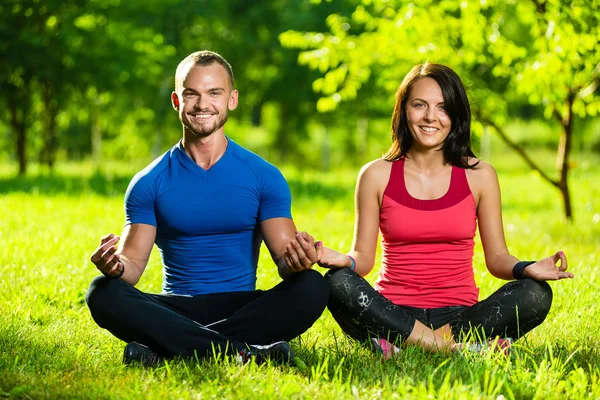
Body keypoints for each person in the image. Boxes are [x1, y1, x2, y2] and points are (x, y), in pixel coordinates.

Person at [290, 62, 573, 358]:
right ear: (403, 110)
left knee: (536, 293)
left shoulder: (480, 175)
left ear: (456, 114)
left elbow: (498, 259)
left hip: (460, 317)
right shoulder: (375, 174)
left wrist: (527, 268)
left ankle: (411, 346)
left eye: (443, 107)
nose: (430, 117)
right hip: (393, 315)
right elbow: (362, 259)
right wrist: (340, 259)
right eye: (419, 105)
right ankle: (459, 349)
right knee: (336, 282)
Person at [86, 50, 328, 366]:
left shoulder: (263, 176)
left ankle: (167, 349)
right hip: (176, 307)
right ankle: (244, 352)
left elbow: (284, 260)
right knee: (103, 292)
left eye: (214, 93)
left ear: (232, 99)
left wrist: (299, 259)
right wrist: (116, 268)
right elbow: (131, 266)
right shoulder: (149, 182)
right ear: (176, 101)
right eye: (192, 94)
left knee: (312, 286)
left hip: (243, 308)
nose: (203, 105)